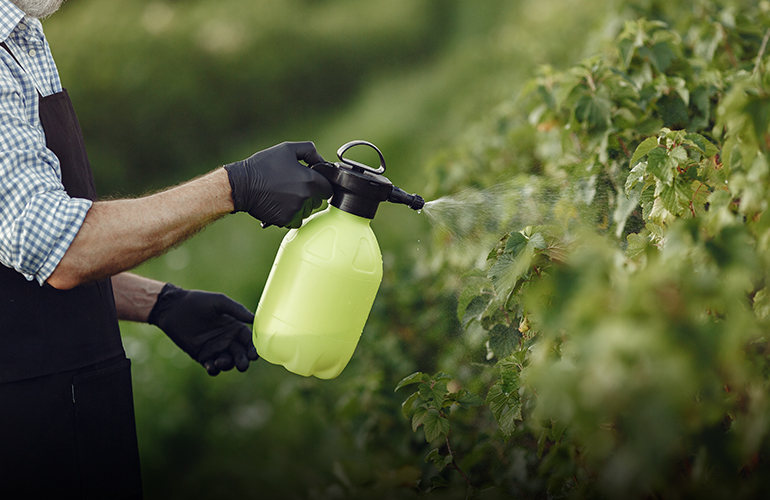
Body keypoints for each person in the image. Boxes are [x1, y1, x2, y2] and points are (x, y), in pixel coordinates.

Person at [0, 0, 333, 497]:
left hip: (71, 408)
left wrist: (160, 302)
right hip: (27, 429)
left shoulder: (23, 36)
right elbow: (63, 247)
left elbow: (20, 254)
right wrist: (234, 188)